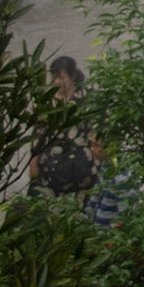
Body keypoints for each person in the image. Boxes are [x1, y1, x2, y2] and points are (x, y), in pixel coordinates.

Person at [28, 57, 97, 197]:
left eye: (62, 77)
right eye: (54, 78)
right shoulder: (46, 101)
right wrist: (33, 164)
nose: (58, 82)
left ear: (73, 77)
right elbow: (37, 135)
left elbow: (96, 130)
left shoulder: (86, 97)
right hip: (50, 167)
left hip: (80, 167)